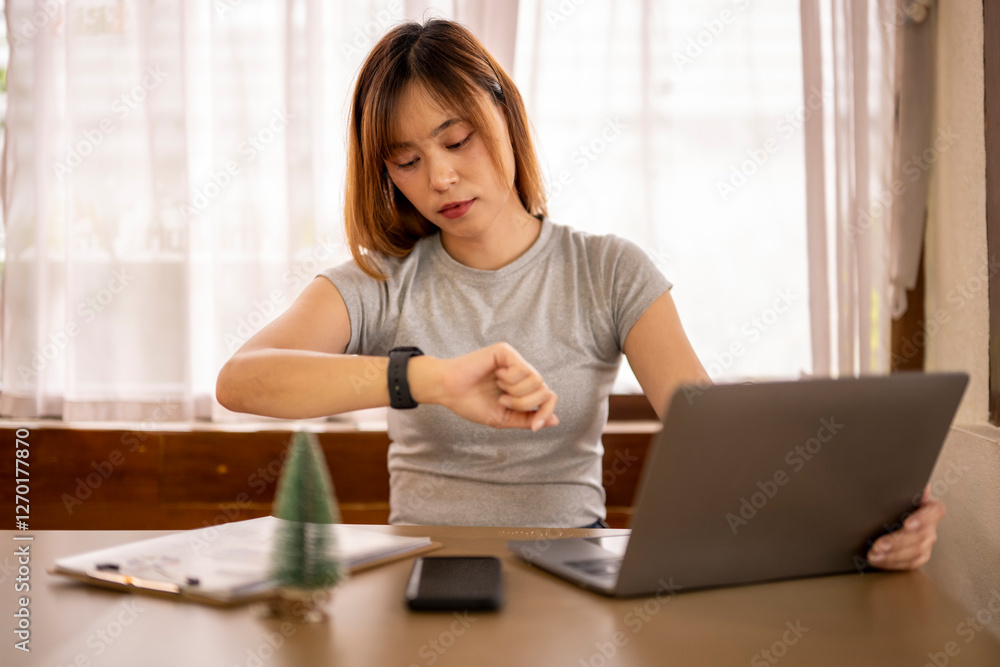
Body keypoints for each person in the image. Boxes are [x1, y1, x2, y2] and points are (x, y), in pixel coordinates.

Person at [216, 18, 943, 569]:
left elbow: (717, 439)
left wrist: (868, 523)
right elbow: (241, 380)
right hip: (429, 579)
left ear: (504, 115)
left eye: (457, 140)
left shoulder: (609, 270)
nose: (439, 177)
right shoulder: (383, 281)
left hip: (571, 571)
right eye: (406, 160)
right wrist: (429, 378)